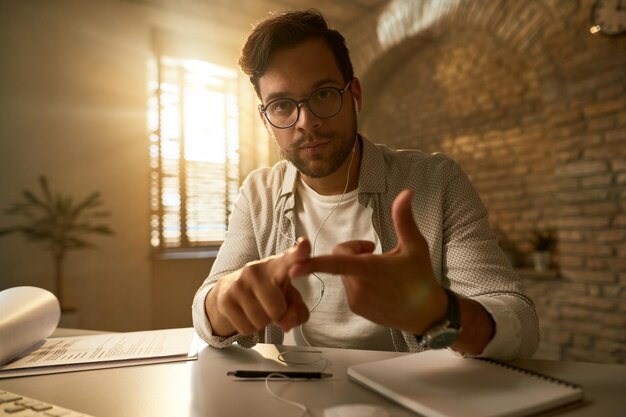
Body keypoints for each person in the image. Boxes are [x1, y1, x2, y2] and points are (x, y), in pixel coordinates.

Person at [192, 9, 539, 360]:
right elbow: (205, 313)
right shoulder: (258, 194)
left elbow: (520, 322)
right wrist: (224, 300)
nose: (306, 122)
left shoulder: (436, 181)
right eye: (282, 105)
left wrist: (439, 314)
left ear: (354, 94)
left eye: (324, 94)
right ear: (265, 119)